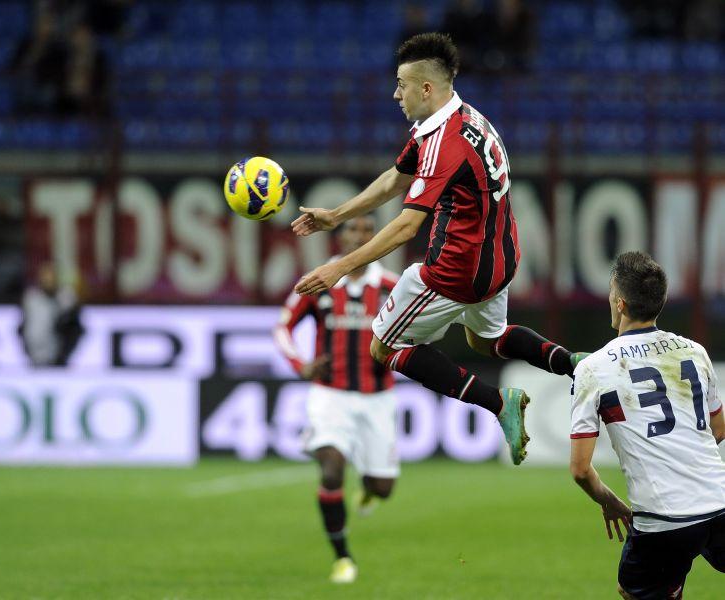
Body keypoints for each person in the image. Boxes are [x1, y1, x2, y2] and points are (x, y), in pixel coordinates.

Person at [292, 32, 586, 465]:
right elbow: (397, 177)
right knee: (486, 340)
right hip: (500, 258)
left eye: (401, 84)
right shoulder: (467, 119)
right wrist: (337, 215)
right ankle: (574, 363)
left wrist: (341, 267)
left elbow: (408, 226)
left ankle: (498, 403)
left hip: (455, 270)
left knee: (384, 348)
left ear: (425, 88)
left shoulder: (444, 143)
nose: (396, 94)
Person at [569, 251, 725, 600]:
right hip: (719, 503)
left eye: (611, 292)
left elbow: (580, 469)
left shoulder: (594, 368)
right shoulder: (694, 351)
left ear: (620, 303)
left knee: (635, 591)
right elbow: (718, 428)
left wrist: (609, 501)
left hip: (663, 518)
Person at [273, 215, 400, 584]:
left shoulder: (393, 286)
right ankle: (343, 557)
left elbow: (422, 330)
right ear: (339, 237)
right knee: (331, 468)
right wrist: (300, 364)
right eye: (352, 230)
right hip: (330, 396)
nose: (359, 236)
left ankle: (370, 489)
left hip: (378, 397)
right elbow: (283, 326)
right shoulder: (319, 281)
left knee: (383, 488)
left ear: (375, 238)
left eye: (366, 231)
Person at [19, 263, 83, 366]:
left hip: (59, 354)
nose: (48, 281)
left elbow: (75, 329)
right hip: (36, 353)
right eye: (45, 278)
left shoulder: (67, 298)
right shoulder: (32, 300)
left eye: (51, 278)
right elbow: (23, 328)